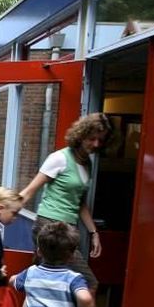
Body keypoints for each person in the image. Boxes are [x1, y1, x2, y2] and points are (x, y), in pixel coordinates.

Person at [18, 113, 113, 291]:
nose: (96, 145)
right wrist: (3, 211)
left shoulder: (87, 164)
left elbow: (80, 203)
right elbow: (30, 191)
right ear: (81, 135)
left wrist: (94, 233)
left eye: (100, 140)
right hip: (48, 227)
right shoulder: (59, 158)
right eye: (92, 139)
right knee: (88, 283)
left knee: (44, 283)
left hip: (68, 230)